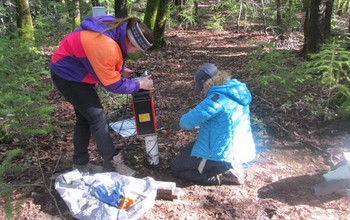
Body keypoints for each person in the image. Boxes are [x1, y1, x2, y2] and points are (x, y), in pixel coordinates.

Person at [50, 15, 154, 176]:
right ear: (130, 41)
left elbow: (101, 58)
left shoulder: (116, 27)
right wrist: (139, 85)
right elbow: (113, 84)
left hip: (77, 70)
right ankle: (114, 161)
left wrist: (120, 69)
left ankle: (80, 164)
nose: (135, 53)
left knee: (85, 119)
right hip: (68, 75)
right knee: (97, 117)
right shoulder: (105, 46)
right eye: (137, 50)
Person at [171, 63, 256, 185]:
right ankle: (227, 165)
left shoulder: (216, 99)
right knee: (187, 151)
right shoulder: (236, 90)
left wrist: (193, 114)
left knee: (177, 167)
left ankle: (225, 175)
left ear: (207, 83)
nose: (203, 91)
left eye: (202, 87)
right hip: (241, 147)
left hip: (222, 151)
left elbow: (185, 123)